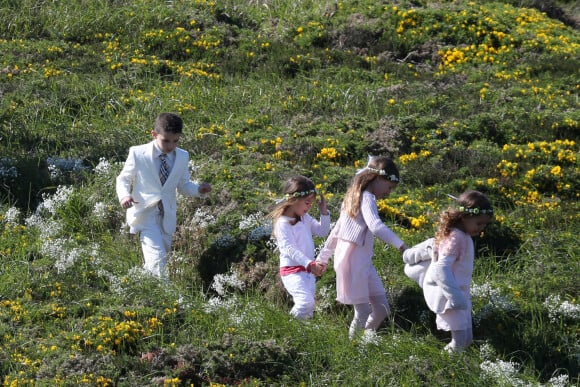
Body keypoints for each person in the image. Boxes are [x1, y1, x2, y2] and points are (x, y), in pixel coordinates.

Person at [317, 156, 408, 339]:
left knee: (382, 308)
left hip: (362, 262)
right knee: (363, 310)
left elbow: (336, 230)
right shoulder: (366, 197)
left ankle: (365, 339)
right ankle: (353, 348)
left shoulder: (355, 197)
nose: (389, 193)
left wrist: (323, 257)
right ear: (377, 178)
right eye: (389, 187)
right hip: (353, 261)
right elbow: (375, 225)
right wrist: (401, 245)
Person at [116, 112, 211, 279]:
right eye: (165, 140)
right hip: (145, 213)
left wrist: (198, 190)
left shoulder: (182, 156)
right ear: (154, 135)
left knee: (161, 255)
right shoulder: (138, 153)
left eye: (175, 141)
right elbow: (123, 178)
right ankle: (165, 298)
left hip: (167, 215)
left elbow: (183, 185)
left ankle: (144, 286)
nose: (170, 146)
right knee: (157, 258)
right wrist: (124, 196)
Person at [422, 190, 493, 352]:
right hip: (451, 298)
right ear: (465, 217)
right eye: (478, 223)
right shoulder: (456, 237)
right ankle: (440, 368)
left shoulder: (463, 235)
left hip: (460, 296)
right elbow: (441, 268)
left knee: (467, 340)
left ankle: (452, 369)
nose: (481, 229)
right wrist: (455, 297)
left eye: (484, 225)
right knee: (460, 340)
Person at [269, 175, 330, 320]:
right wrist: (310, 263)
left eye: (312, 203)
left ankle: (296, 340)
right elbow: (288, 249)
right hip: (292, 271)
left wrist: (324, 212)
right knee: (305, 303)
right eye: (307, 202)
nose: (309, 207)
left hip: (308, 273)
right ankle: (286, 329)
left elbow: (322, 232)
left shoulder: (304, 218)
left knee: (308, 312)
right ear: (292, 200)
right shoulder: (283, 223)